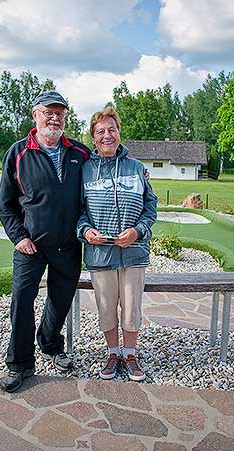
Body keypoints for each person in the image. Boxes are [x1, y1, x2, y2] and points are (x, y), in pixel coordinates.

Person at [0, 90, 90, 392]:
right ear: (35, 115)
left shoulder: (79, 152)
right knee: (22, 302)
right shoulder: (18, 152)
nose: (55, 117)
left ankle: (50, 345)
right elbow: (5, 204)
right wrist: (18, 237)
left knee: (60, 301)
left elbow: (107, 165)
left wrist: (136, 170)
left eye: (60, 113)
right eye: (48, 111)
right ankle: (20, 363)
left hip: (68, 246)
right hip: (31, 247)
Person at [77, 107, 157, 381]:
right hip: (100, 254)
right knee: (106, 307)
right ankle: (113, 353)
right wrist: (86, 231)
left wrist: (137, 231)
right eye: (101, 131)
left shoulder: (136, 168)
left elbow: (150, 207)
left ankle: (130, 354)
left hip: (133, 253)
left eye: (112, 129)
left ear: (119, 132)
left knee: (131, 307)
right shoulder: (86, 170)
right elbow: (78, 211)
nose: (107, 135)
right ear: (94, 137)